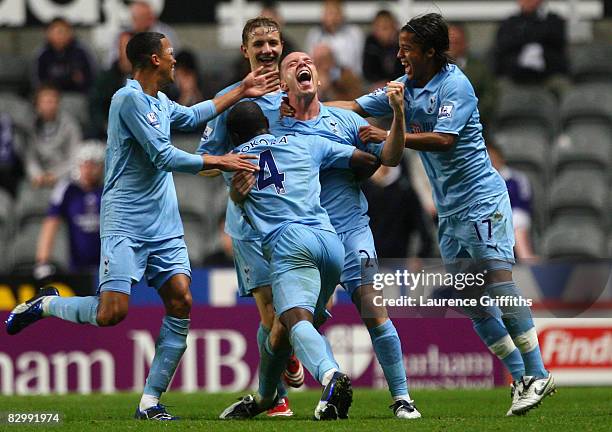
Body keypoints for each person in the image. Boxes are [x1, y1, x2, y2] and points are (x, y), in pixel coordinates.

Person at [6, 31, 277, 421]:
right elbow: (162, 154)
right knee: (111, 313)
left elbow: (195, 114)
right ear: (152, 59)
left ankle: (150, 401)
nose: (173, 61)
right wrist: (221, 161)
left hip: (164, 221)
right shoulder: (126, 99)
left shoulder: (160, 101)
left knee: (181, 300)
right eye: (169, 55)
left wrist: (241, 90)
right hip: (126, 222)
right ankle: (45, 303)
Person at [328, 13, 555, 416]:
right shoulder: (403, 87)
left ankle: (538, 373)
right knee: (469, 298)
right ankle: (521, 377)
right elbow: (354, 105)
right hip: (449, 212)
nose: (399, 55)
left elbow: (445, 139)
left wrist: (390, 134)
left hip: (481, 200)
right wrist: (304, 109)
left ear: (430, 51)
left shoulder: (455, 85)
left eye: (407, 48)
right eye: (398, 47)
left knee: (498, 277)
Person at [274, 51, 421, 419]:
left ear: (319, 81)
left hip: (351, 231)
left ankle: (402, 398)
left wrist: (398, 118)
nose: (301, 65)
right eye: (291, 64)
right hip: (306, 239)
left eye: (307, 62)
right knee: (288, 325)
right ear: (282, 84)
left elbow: (388, 157)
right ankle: (277, 393)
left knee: (374, 309)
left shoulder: (344, 120)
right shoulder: (276, 128)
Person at [219, 101, 377, 420]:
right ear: (267, 121)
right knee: (282, 331)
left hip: (291, 244)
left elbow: (238, 200)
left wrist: (236, 195)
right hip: (330, 241)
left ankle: (331, 376)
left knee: (294, 321)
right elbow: (365, 158)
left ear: (234, 135)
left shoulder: (235, 162)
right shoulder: (307, 141)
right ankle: (265, 399)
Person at [197, 16, 303, 418]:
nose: (267, 50)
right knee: (270, 313)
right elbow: (204, 163)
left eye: (273, 42)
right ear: (245, 50)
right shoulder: (229, 99)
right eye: (258, 44)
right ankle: (277, 396)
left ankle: (284, 360)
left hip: (294, 219)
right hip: (248, 223)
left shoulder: (297, 94)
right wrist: (231, 167)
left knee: (300, 309)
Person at [35, 142, 105, 277]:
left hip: (109, 267)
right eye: (85, 164)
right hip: (76, 267)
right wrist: (42, 261)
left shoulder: (110, 188)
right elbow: (50, 223)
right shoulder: (67, 190)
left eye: (93, 164)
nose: (88, 169)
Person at [494, 0, 569, 96]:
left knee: (563, 87)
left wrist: (524, 34)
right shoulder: (509, 23)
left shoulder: (553, 20)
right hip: (514, 75)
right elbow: (504, 46)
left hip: (548, 75)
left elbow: (557, 42)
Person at [362, 164, 434, 259]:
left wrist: (421, 255)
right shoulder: (362, 188)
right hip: (369, 259)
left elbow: (419, 223)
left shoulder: (405, 189)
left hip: (398, 259)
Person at [26, 83, 82, 188]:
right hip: (38, 179)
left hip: (65, 176)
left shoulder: (71, 125)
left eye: (52, 101)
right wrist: (38, 175)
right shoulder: (30, 125)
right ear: (37, 104)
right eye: (45, 102)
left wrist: (55, 175)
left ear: (58, 103)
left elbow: (75, 157)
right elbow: (30, 158)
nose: (49, 105)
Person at [488, 143, 537, 261]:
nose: (490, 160)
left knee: (517, 219)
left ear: (500, 158)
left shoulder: (516, 178)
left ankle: (526, 257)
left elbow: (522, 204)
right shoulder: (481, 181)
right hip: (490, 216)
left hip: (513, 214)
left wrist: (500, 215)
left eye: (492, 157)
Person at [448, 23, 497, 129]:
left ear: (465, 44)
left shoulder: (480, 69)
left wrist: (470, 113)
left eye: (456, 43)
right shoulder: (432, 68)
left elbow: (489, 98)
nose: (451, 47)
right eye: (448, 43)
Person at [88, 31, 133, 139]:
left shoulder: (149, 76)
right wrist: (105, 125)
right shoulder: (106, 78)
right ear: (118, 49)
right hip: (110, 131)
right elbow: (95, 106)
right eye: (124, 46)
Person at [34, 18, 95, 93]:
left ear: (70, 33)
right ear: (48, 34)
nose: (60, 36)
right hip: (51, 97)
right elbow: (37, 82)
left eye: (63, 32)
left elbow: (91, 79)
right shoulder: (42, 54)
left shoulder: (81, 52)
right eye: (56, 32)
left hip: (78, 95)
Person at [305, 0, 364, 77]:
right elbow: (310, 62)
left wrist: (332, 59)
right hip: (322, 77)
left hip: (347, 76)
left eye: (332, 13)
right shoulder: (314, 34)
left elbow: (355, 65)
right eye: (326, 13)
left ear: (341, 14)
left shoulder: (354, 33)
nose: (328, 17)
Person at [362, 10, 404, 88]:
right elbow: (367, 71)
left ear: (394, 27)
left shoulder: (403, 43)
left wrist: (390, 83)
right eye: (377, 28)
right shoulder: (371, 42)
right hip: (375, 85)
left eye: (385, 28)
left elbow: (405, 71)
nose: (380, 32)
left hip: (399, 84)